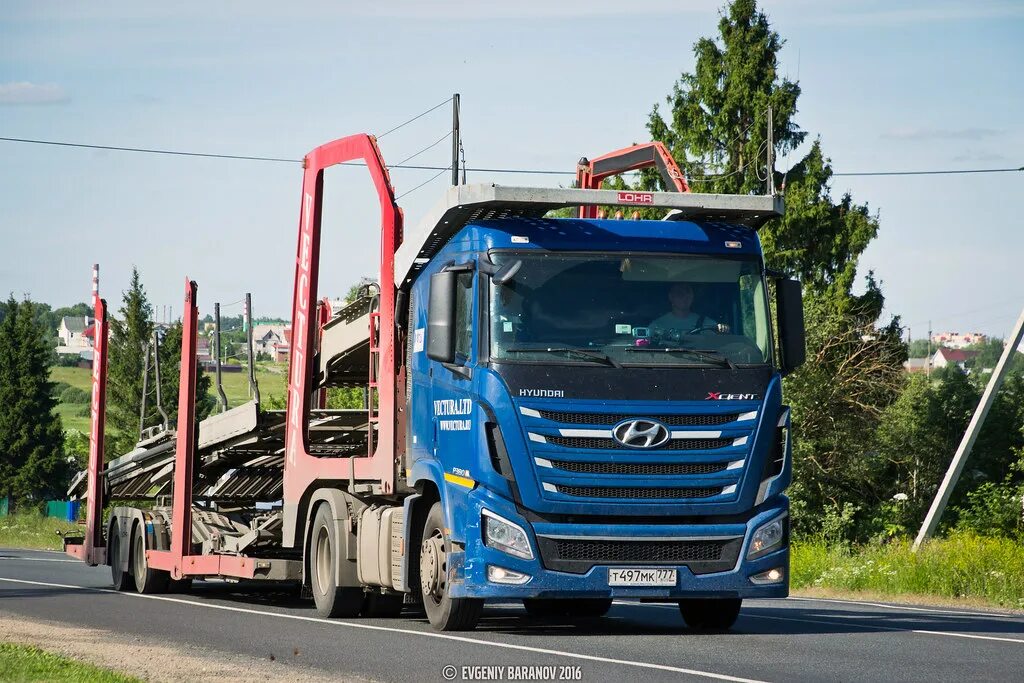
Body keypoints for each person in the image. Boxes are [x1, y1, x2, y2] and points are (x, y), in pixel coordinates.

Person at [648, 282, 717, 335]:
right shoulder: (658, 325)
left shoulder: (706, 324)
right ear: (671, 297)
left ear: (692, 296)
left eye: (688, 292)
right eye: (680, 293)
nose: (685, 297)